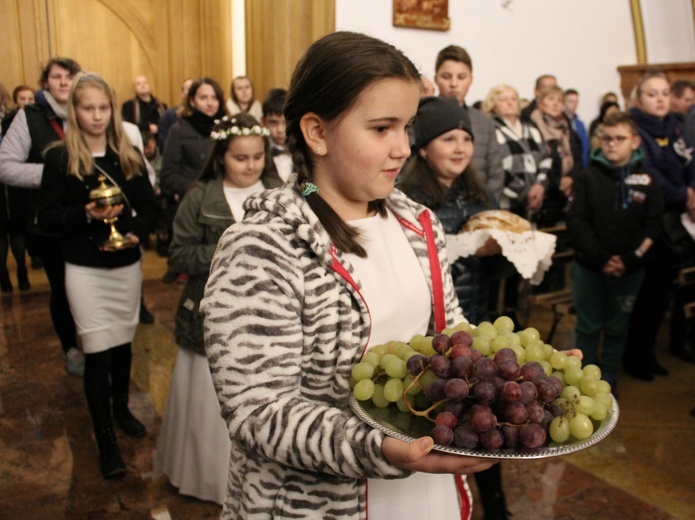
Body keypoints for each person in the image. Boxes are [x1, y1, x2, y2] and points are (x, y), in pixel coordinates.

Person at [200, 31, 495, 519]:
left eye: (407, 126)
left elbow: (447, 332)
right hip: (317, 504)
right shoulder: (264, 246)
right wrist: (377, 447)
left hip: (424, 493)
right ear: (317, 132)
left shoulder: (418, 224)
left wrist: (515, 370)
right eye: (382, 128)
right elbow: (259, 411)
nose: (403, 147)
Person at [36, 72, 157, 478]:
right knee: (96, 351)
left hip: (125, 266)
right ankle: (104, 437)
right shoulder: (59, 158)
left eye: (104, 108)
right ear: (75, 110)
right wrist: (86, 216)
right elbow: (47, 217)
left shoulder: (128, 154)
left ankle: (121, 408)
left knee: (123, 344)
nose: (97, 116)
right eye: (88, 108)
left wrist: (134, 235)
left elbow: (152, 208)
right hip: (84, 268)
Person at [156, 113, 281, 504]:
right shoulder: (201, 196)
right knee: (211, 403)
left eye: (258, 157)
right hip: (209, 317)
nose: (251, 166)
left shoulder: (285, 189)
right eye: (240, 158)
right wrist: (234, 249)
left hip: (271, 317)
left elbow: (318, 200)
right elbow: (178, 254)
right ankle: (206, 479)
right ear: (221, 157)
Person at [398, 95, 512, 520]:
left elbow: (495, 272)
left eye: (466, 137)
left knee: (490, 417)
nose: (462, 147)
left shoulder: (476, 195)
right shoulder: (407, 199)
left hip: (476, 320)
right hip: (432, 331)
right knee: (449, 421)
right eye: (449, 138)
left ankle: (496, 506)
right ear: (424, 147)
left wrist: (502, 252)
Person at [567, 111, 664, 390]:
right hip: (590, 267)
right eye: (606, 138)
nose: (611, 144)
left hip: (629, 269)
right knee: (587, 326)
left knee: (617, 327)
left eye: (619, 138)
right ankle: (587, 377)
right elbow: (577, 220)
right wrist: (600, 258)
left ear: (634, 142)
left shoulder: (647, 179)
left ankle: (608, 374)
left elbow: (653, 223)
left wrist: (631, 259)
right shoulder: (587, 177)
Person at [0, 56, 85, 375]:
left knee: (89, 286)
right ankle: (70, 348)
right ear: (45, 82)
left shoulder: (89, 108)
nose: (64, 82)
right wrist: (55, 173)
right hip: (49, 220)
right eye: (57, 76)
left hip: (89, 216)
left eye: (70, 76)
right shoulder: (29, 116)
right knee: (62, 289)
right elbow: (5, 166)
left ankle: (96, 344)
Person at [624, 71, 695, 378]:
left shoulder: (675, 127)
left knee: (674, 290)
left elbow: (690, 160)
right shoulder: (635, 129)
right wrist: (686, 195)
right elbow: (648, 172)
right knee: (648, 295)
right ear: (639, 99)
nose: (661, 98)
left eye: (665, 92)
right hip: (651, 223)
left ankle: (669, 345)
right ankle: (637, 356)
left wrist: (692, 190)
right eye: (652, 93)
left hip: (680, 220)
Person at [483, 83, 553, 327]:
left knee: (519, 260)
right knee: (498, 261)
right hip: (505, 204)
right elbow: (497, 168)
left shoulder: (530, 127)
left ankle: (511, 309)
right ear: (493, 103)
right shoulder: (492, 128)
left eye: (513, 98)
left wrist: (540, 187)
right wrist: (525, 193)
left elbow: (545, 158)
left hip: (531, 204)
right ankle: (492, 312)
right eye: (503, 99)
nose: (510, 102)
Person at [159, 77, 225, 282]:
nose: (209, 102)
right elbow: (168, 176)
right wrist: (198, 190)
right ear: (192, 101)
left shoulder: (227, 129)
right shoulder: (179, 130)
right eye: (203, 97)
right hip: (195, 208)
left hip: (224, 207)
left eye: (214, 97)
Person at [433, 45, 505, 199]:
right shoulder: (420, 118)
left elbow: (496, 173)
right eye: (446, 76)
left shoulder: (484, 122)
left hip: (478, 205)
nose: (454, 83)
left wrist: (485, 206)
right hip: (433, 207)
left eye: (461, 77)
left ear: (470, 80)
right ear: (436, 79)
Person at [0, 85, 37, 292]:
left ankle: (21, 271)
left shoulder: (13, 120)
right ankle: (4, 274)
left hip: (15, 183)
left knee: (17, 228)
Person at [529, 85, 582, 228]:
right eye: (550, 99)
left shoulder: (566, 125)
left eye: (559, 100)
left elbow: (577, 155)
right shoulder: (532, 125)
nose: (555, 103)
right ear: (540, 102)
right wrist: (557, 181)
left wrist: (571, 178)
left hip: (568, 189)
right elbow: (537, 159)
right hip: (547, 190)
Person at [261, 88, 293, 182]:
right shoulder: (260, 151)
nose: (280, 130)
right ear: (263, 121)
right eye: (273, 123)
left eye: (285, 123)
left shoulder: (301, 148)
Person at [157, 78, 193, 152]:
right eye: (189, 89)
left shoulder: (206, 115)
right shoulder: (168, 116)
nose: (192, 93)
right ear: (181, 94)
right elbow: (163, 145)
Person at [564, 88, 589, 168]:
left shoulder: (580, 124)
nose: (574, 105)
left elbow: (585, 146)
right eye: (571, 101)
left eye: (576, 101)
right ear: (564, 102)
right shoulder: (560, 122)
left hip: (580, 165)